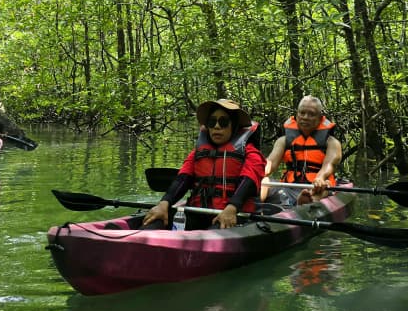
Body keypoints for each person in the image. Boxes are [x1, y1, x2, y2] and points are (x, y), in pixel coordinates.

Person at [143, 99, 265, 230]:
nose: (217, 126)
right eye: (212, 122)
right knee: (154, 222)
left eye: (223, 122)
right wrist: (164, 203)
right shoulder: (197, 153)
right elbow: (182, 179)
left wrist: (232, 208)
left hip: (233, 213)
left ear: (234, 125)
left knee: (217, 230)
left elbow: (248, 182)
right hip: (197, 212)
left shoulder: (251, 153)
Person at [262, 95, 342, 205]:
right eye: (302, 113)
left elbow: (329, 165)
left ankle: (308, 200)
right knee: (264, 181)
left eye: (311, 114)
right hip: (289, 186)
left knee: (324, 185)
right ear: (297, 115)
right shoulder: (283, 141)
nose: (305, 117)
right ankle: (254, 206)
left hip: (316, 186)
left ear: (320, 118)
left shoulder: (332, 143)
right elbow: (270, 163)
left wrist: (320, 178)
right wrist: (257, 173)